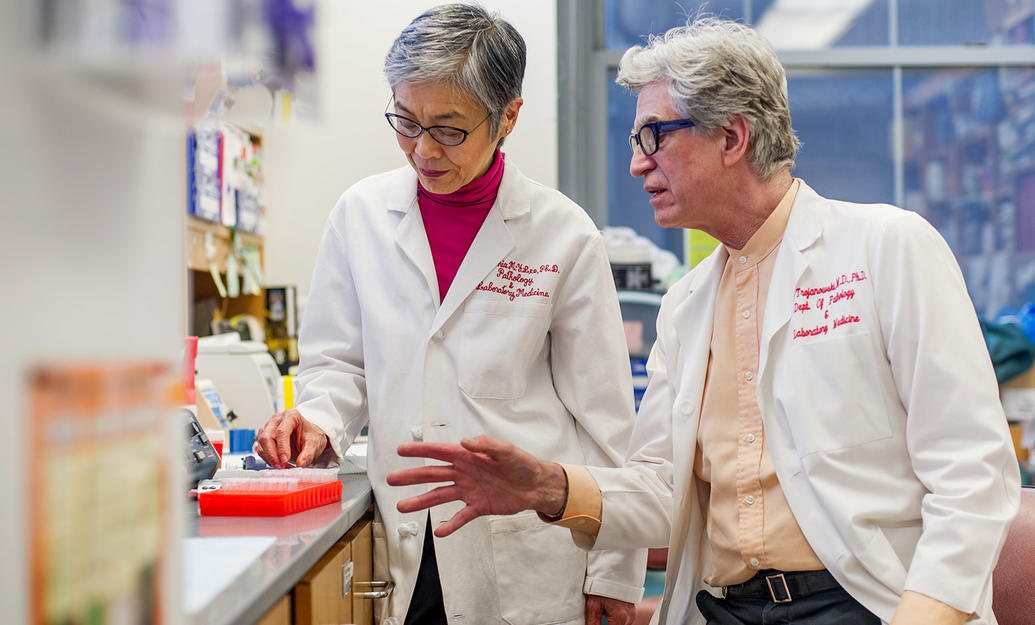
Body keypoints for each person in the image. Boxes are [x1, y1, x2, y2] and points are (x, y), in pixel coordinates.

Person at [385, 16, 1022, 625]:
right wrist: (550, 488)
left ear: (731, 137)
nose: (637, 163)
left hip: (868, 603)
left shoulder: (887, 248)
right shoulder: (688, 304)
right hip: (725, 608)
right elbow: (666, 497)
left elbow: (972, 475)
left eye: (653, 136)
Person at [252, 4, 645, 625]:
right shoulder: (359, 216)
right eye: (405, 122)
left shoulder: (563, 234)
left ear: (508, 116)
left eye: (449, 129)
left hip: (525, 544)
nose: (422, 149)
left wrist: (615, 571)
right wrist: (317, 421)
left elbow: (606, 419)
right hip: (406, 532)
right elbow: (338, 365)